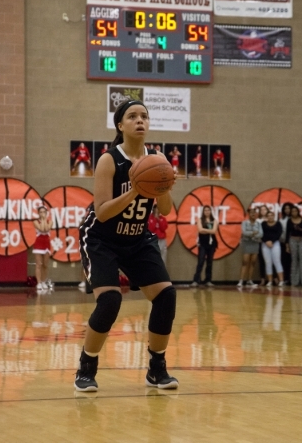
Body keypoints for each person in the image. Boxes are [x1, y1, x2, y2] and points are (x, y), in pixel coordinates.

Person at [75, 99, 178, 392]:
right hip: (101, 238)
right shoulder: (110, 160)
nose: (140, 120)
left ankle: (156, 369)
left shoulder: (157, 159)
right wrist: (135, 189)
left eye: (144, 116)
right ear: (121, 125)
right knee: (110, 300)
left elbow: (167, 210)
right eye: (132, 116)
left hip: (136, 237)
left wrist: (164, 186)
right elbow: (104, 211)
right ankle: (87, 366)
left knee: (166, 296)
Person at [191, 205, 218, 288]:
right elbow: (200, 230)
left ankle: (208, 280)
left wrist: (204, 230)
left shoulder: (214, 220)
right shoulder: (200, 219)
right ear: (203, 211)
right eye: (205, 210)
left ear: (211, 211)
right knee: (200, 261)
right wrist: (208, 231)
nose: (207, 212)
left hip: (212, 243)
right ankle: (196, 280)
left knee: (209, 262)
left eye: (208, 210)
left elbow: (214, 231)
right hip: (202, 243)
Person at [237, 208, 263, 288]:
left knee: (253, 262)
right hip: (247, 243)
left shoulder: (258, 224)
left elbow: (261, 234)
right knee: (245, 262)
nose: (253, 214)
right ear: (249, 214)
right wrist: (253, 233)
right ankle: (241, 280)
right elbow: (244, 233)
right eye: (251, 213)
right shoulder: (244, 223)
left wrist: (251, 234)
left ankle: (249, 280)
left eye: (254, 213)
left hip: (255, 244)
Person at [261, 211, 285, 288]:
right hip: (265, 244)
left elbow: (279, 233)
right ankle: (270, 281)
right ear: (266, 217)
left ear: (274, 216)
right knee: (268, 262)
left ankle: (281, 281)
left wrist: (272, 241)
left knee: (277, 261)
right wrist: (266, 241)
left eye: (271, 215)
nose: (270, 217)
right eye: (268, 215)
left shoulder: (278, 224)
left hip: (275, 243)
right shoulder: (263, 224)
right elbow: (261, 234)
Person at [33, 206, 52, 290]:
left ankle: (44, 281)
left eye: (44, 212)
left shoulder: (50, 221)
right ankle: (39, 282)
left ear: (46, 213)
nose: (42, 213)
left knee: (45, 264)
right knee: (38, 264)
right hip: (38, 243)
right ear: (38, 213)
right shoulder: (35, 221)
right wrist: (43, 220)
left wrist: (44, 220)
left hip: (46, 243)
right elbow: (41, 229)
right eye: (41, 212)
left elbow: (46, 228)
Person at [285, 205, 302, 287]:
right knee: (294, 260)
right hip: (292, 240)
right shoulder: (289, 220)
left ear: (298, 211)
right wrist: (287, 246)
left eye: (295, 211)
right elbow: (287, 233)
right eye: (292, 211)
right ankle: (294, 281)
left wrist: (299, 229)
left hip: (301, 240)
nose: (294, 212)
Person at [279, 202, 293, 284]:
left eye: (289, 208)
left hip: (296, 243)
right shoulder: (281, 220)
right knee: (285, 261)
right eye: (285, 209)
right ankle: (286, 278)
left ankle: (295, 279)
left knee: (295, 261)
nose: (287, 210)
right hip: (283, 243)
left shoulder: (296, 219)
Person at [256, 204, 269, 285]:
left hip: (270, 243)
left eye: (265, 209)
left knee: (272, 261)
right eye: (261, 210)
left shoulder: (271, 219)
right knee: (262, 261)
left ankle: (273, 279)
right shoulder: (258, 221)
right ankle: (263, 279)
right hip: (261, 242)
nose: (263, 211)